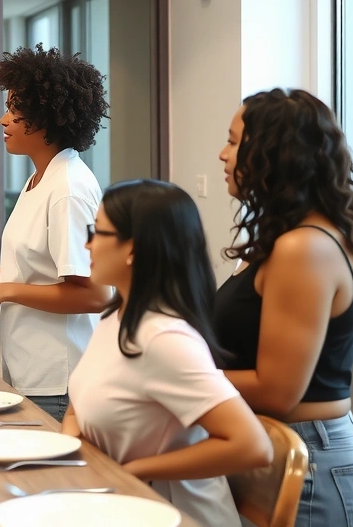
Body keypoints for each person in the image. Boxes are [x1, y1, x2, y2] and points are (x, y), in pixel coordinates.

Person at [214, 89, 353, 526]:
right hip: (279, 450)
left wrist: (177, 376)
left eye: (232, 142)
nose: (221, 154)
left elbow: (278, 392)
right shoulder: (285, 240)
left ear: (270, 152)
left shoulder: (304, 248)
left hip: (311, 466)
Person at [66, 179, 272, 526]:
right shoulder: (116, 318)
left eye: (97, 232)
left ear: (134, 248)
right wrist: (73, 455)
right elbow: (78, 407)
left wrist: (132, 471)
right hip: (118, 505)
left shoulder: (165, 340)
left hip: (174, 516)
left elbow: (252, 446)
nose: (87, 244)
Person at [0, 45, 112, 422]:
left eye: (16, 110)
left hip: (59, 380)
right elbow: (45, 270)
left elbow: (93, 293)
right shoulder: (40, 178)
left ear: (48, 117)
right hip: (28, 372)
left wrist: (3, 290)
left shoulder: (68, 188)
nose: (4, 120)